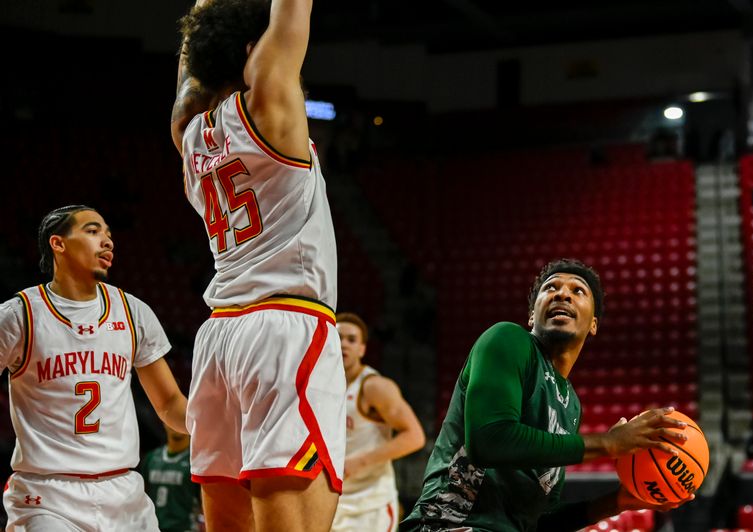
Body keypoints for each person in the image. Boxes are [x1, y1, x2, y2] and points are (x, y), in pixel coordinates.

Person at [170, 0, 345, 530]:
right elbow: (291, 15)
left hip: (219, 339)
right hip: (284, 330)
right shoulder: (269, 101)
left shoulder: (189, 135)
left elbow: (188, 77)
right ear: (253, 51)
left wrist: (202, 11)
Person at [401, 259, 694, 531]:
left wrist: (618, 502)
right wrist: (607, 443)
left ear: (593, 324)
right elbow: (489, 440)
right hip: (448, 524)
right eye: (551, 287)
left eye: (578, 290)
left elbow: (536, 524)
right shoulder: (508, 340)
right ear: (532, 314)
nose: (562, 294)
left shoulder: (571, 406)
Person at [0, 205, 188, 531]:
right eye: (93, 231)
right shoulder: (20, 315)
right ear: (58, 243)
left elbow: (170, 403)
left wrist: (215, 427)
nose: (107, 241)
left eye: (109, 235)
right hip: (47, 495)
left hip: (125, 492)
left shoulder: (133, 312)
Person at [332, 313, 426, 532]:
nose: (343, 344)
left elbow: (415, 436)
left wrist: (360, 462)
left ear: (362, 349)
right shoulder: (320, 384)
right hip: (334, 498)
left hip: (370, 504)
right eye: (337, 337)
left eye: (351, 339)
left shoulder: (374, 386)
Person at [142, 424, 203, 532]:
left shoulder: (197, 461)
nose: (175, 426)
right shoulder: (151, 459)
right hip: (153, 527)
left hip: (186, 528)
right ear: (163, 421)